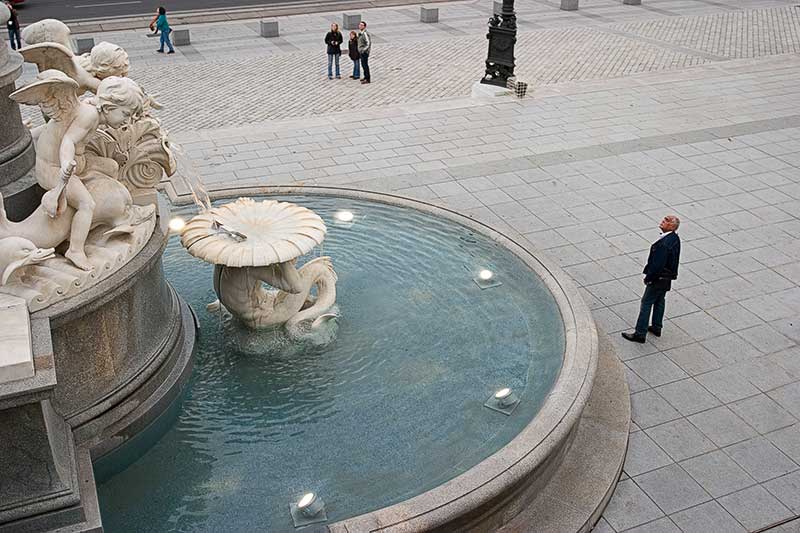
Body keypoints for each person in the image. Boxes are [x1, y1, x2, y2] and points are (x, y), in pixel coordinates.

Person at [622, 215, 682, 343]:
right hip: (666, 279)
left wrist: (649, 278)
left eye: (666, 221)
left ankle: (640, 333)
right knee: (660, 300)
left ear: (671, 226)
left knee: (646, 302)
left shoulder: (664, 244)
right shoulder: (674, 239)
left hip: (658, 279)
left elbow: (657, 265)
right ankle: (656, 326)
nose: (662, 221)